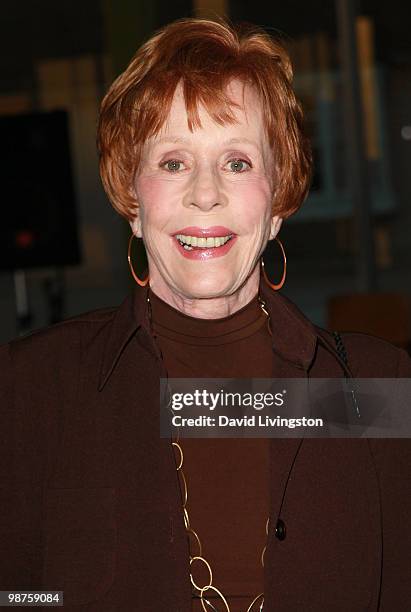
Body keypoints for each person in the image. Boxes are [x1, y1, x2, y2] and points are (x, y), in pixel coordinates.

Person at [1, 16, 410, 612]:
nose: (205, 192)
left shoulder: (376, 393)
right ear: (131, 199)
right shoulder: (33, 387)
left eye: (238, 162)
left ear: (278, 203)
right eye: (173, 162)